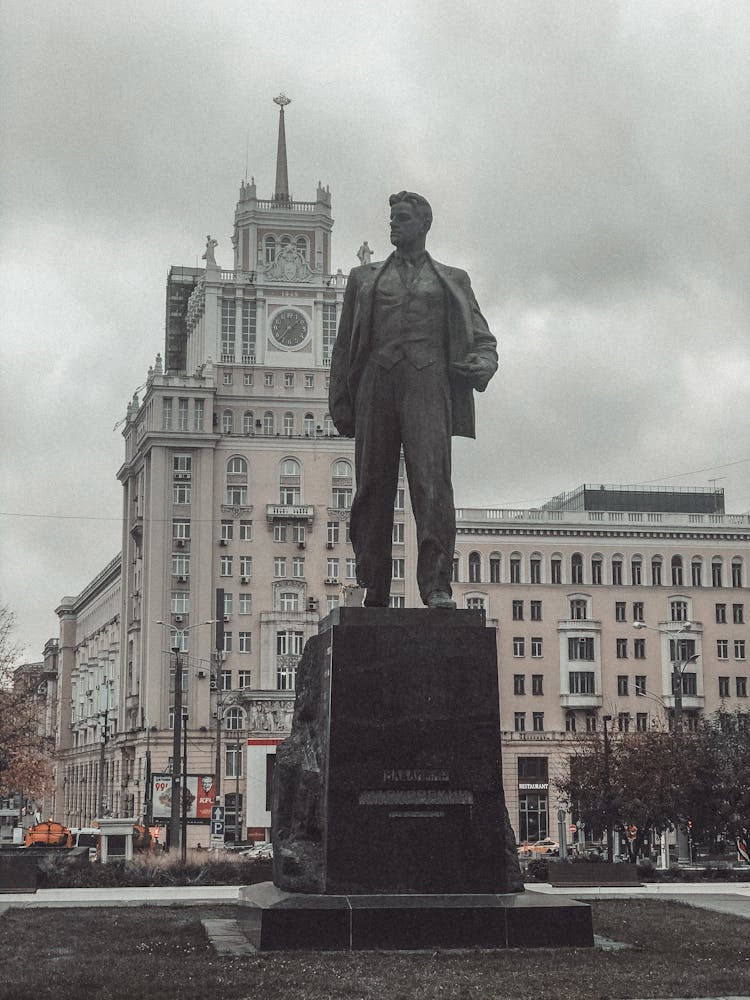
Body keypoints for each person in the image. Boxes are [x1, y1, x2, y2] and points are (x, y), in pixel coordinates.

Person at [329, 191, 497, 609]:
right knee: (372, 487)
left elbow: (482, 338)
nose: (393, 225)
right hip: (375, 387)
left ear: (424, 224)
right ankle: (375, 583)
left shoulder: (453, 280)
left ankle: (436, 584)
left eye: (401, 218)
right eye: (391, 219)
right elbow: (343, 346)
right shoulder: (363, 278)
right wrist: (341, 402)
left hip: (429, 385)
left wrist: (483, 365)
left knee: (432, 484)